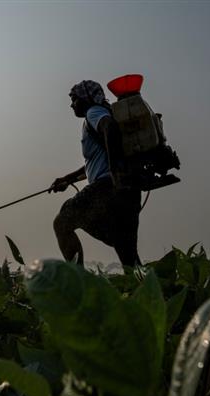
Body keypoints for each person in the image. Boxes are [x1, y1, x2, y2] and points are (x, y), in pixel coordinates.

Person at [49, 80, 142, 268]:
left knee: (63, 222)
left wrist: (115, 172)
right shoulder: (104, 113)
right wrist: (68, 179)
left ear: (87, 98)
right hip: (129, 190)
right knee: (127, 252)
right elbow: (99, 160)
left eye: (74, 99)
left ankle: (80, 283)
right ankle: (150, 291)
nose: (71, 104)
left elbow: (110, 128)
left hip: (107, 187)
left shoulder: (94, 112)